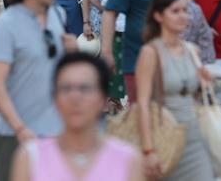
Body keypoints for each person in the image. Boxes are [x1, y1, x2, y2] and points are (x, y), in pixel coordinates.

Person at [0, 0, 77, 181]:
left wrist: (72, 53)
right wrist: (20, 128)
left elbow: (67, 74)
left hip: (54, 132)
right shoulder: (8, 23)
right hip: (14, 134)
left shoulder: (58, 15)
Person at [11, 52, 142, 181]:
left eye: (84, 88)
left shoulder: (128, 159)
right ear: (55, 98)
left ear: (103, 98)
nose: (75, 97)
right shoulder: (31, 157)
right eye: (66, 88)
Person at [135, 0, 215, 180]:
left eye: (185, 11)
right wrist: (148, 150)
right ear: (158, 16)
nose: (183, 16)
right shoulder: (150, 52)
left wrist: (206, 82)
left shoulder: (191, 50)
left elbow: (199, 95)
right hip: (165, 137)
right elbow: (143, 104)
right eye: (175, 11)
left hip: (195, 137)